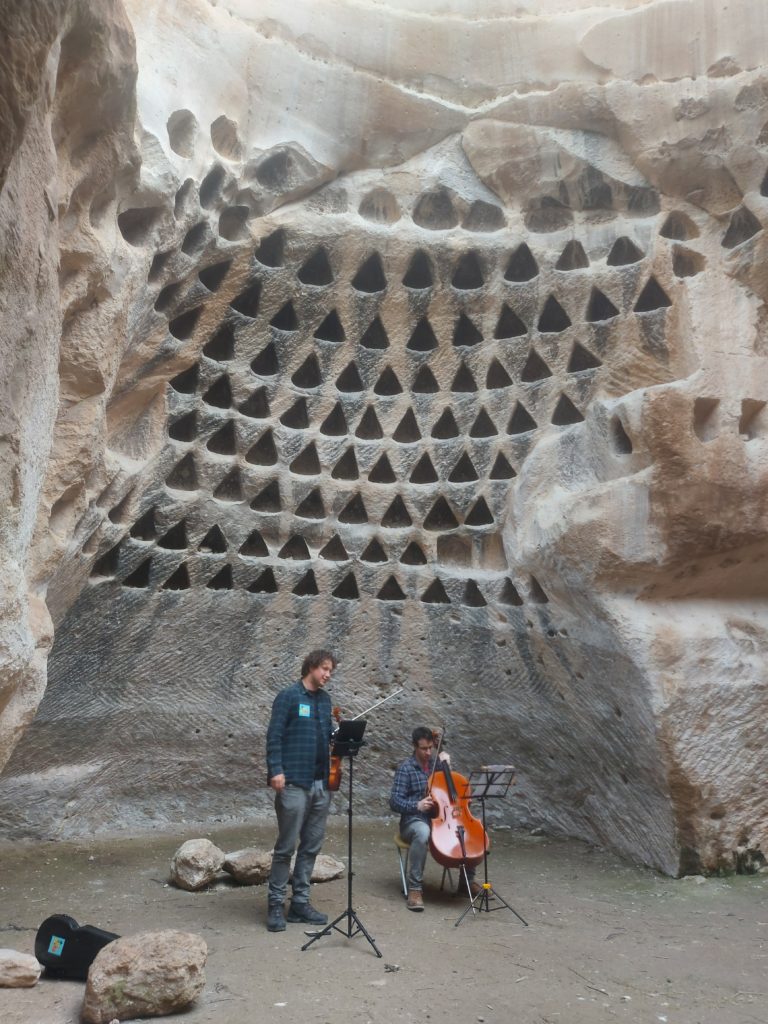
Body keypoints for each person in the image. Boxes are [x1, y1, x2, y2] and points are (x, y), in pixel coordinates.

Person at [265, 649, 337, 932]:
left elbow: (326, 738)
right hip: (294, 781)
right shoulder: (289, 696)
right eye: (325, 669)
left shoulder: (324, 700)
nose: (328, 675)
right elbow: (274, 735)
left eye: (331, 670)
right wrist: (276, 770)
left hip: (321, 783)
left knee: (311, 846)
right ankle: (275, 905)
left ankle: (300, 904)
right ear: (311, 667)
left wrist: (341, 736)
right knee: (286, 847)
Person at [390, 726, 479, 911]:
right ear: (415, 746)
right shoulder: (405, 768)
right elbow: (394, 801)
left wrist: (447, 765)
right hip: (414, 820)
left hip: (441, 819)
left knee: (468, 832)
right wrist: (417, 805)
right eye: (424, 748)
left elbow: (451, 791)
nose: (428, 752)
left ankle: (466, 883)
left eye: (431, 747)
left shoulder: (436, 764)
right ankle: (415, 889)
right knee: (423, 832)